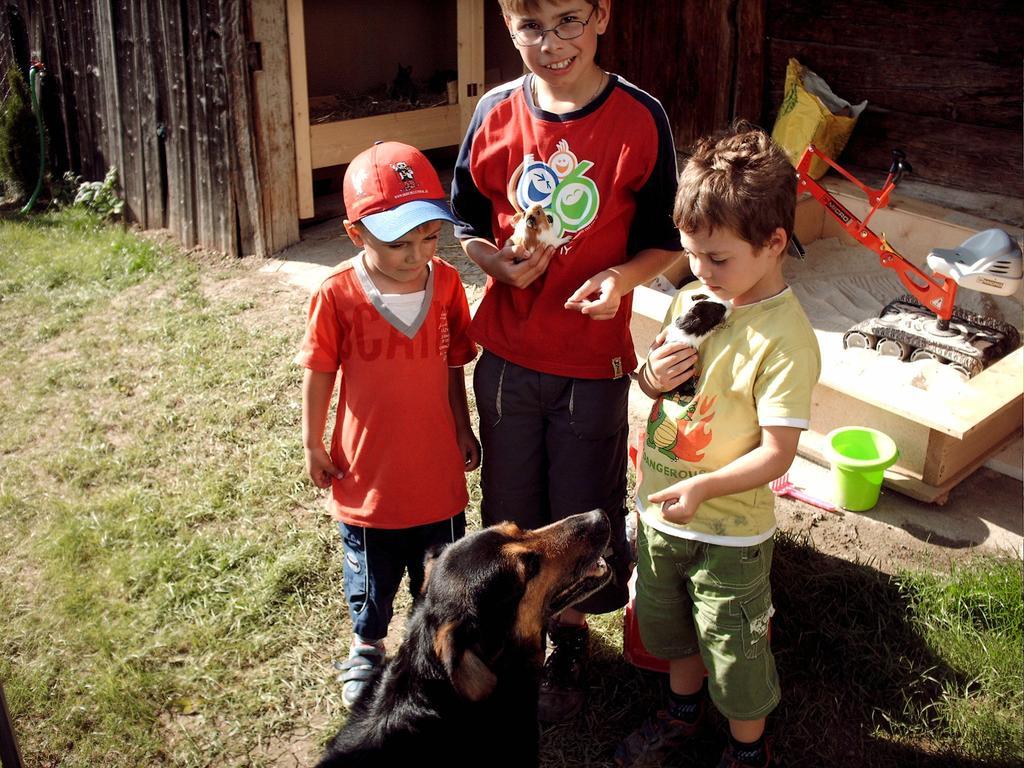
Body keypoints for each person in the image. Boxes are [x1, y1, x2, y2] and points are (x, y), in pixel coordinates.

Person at [450, 0, 684, 723]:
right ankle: (517, 627)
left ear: (604, 14)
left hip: (593, 367)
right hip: (509, 362)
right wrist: (490, 258)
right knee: (513, 504)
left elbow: (667, 239)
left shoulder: (642, 119)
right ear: (505, 22)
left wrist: (623, 279)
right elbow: (461, 218)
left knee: (582, 508)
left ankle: (570, 635)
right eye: (530, 27)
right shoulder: (493, 111)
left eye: (568, 21)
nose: (550, 44)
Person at [613, 125, 821, 768]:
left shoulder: (785, 339)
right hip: (660, 512)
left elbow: (778, 454)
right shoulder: (694, 299)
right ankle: (681, 709)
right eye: (691, 255)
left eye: (717, 259)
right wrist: (651, 376)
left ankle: (745, 747)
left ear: (774, 242)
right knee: (669, 623)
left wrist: (703, 486)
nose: (699, 272)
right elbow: (653, 386)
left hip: (728, 529)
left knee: (735, 648)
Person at [297, 141, 480, 709]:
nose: (417, 253)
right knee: (371, 584)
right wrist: (313, 442)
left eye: (429, 236)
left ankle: (437, 646)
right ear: (356, 235)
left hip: (436, 476)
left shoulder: (447, 284)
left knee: (441, 576)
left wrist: (463, 427)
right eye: (399, 242)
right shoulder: (337, 295)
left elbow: (455, 367)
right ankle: (367, 647)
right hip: (367, 478)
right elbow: (320, 372)